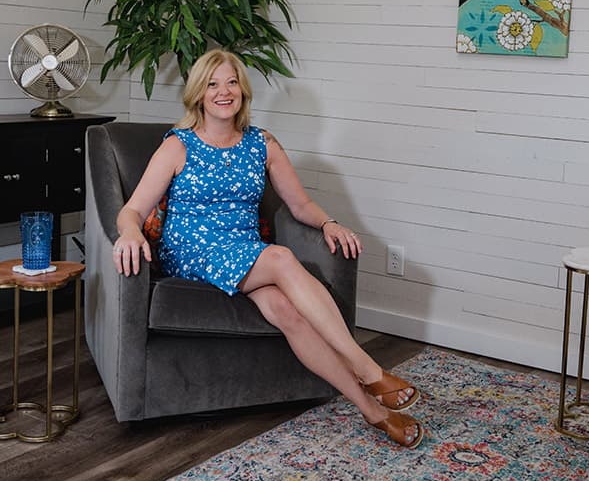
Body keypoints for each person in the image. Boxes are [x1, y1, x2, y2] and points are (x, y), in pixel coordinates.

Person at [112, 49, 423, 448]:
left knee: (285, 311)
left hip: (243, 249)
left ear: (243, 89)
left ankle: (372, 410)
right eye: (212, 84)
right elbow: (133, 209)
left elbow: (300, 205)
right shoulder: (179, 145)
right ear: (198, 94)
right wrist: (131, 233)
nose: (224, 91)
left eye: (231, 82)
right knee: (279, 257)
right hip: (192, 250)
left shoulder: (263, 144)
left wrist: (329, 223)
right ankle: (370, 369)